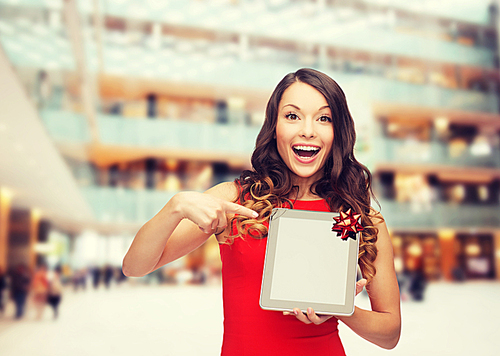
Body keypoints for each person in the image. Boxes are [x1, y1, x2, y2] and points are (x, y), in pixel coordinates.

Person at [123, 68, 401, 355]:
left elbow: (390, 333)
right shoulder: (235, 200)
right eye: (293, 116)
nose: (308, 129)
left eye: (324, 118)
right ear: (275, 126)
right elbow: (134, 267)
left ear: (337, 132)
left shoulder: (357, 217)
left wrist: (340, 308)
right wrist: (176, 206)